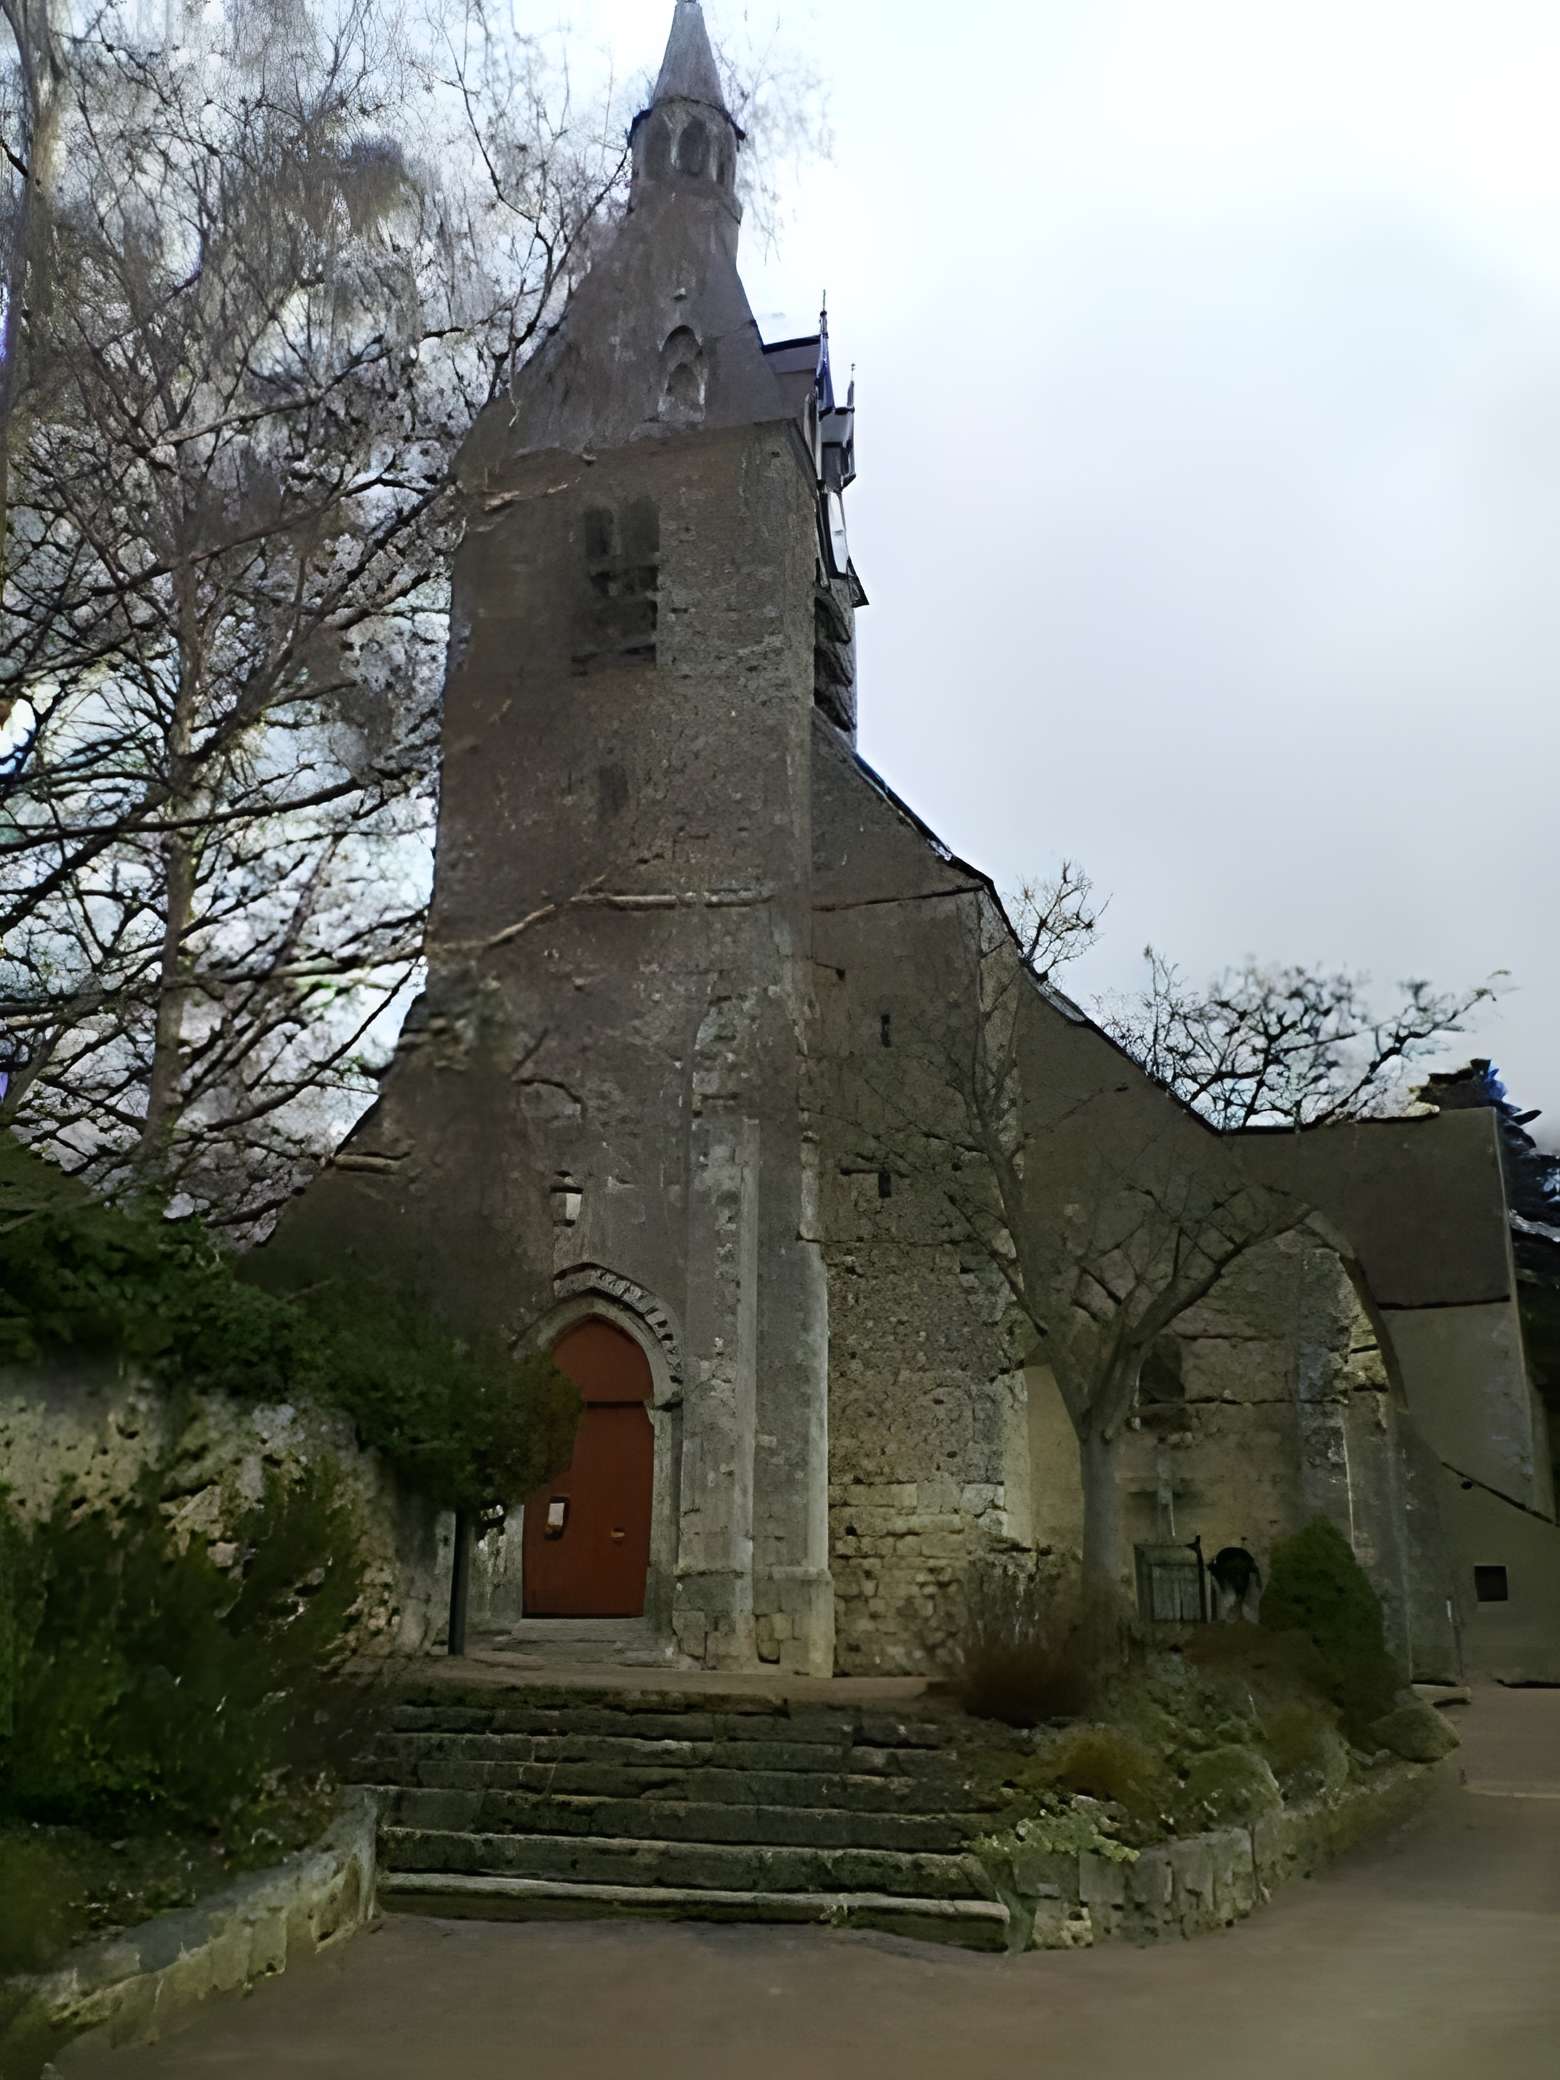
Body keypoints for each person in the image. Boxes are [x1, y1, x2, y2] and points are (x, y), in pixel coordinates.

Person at [1209, 1544, 1262, 1622]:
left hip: (1231, 1563)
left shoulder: (1241, 1564)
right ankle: (1236, 1609)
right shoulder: (1240, 1564)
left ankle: (1236, 1609)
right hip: (1231, 1562)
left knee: (1237, 1592)